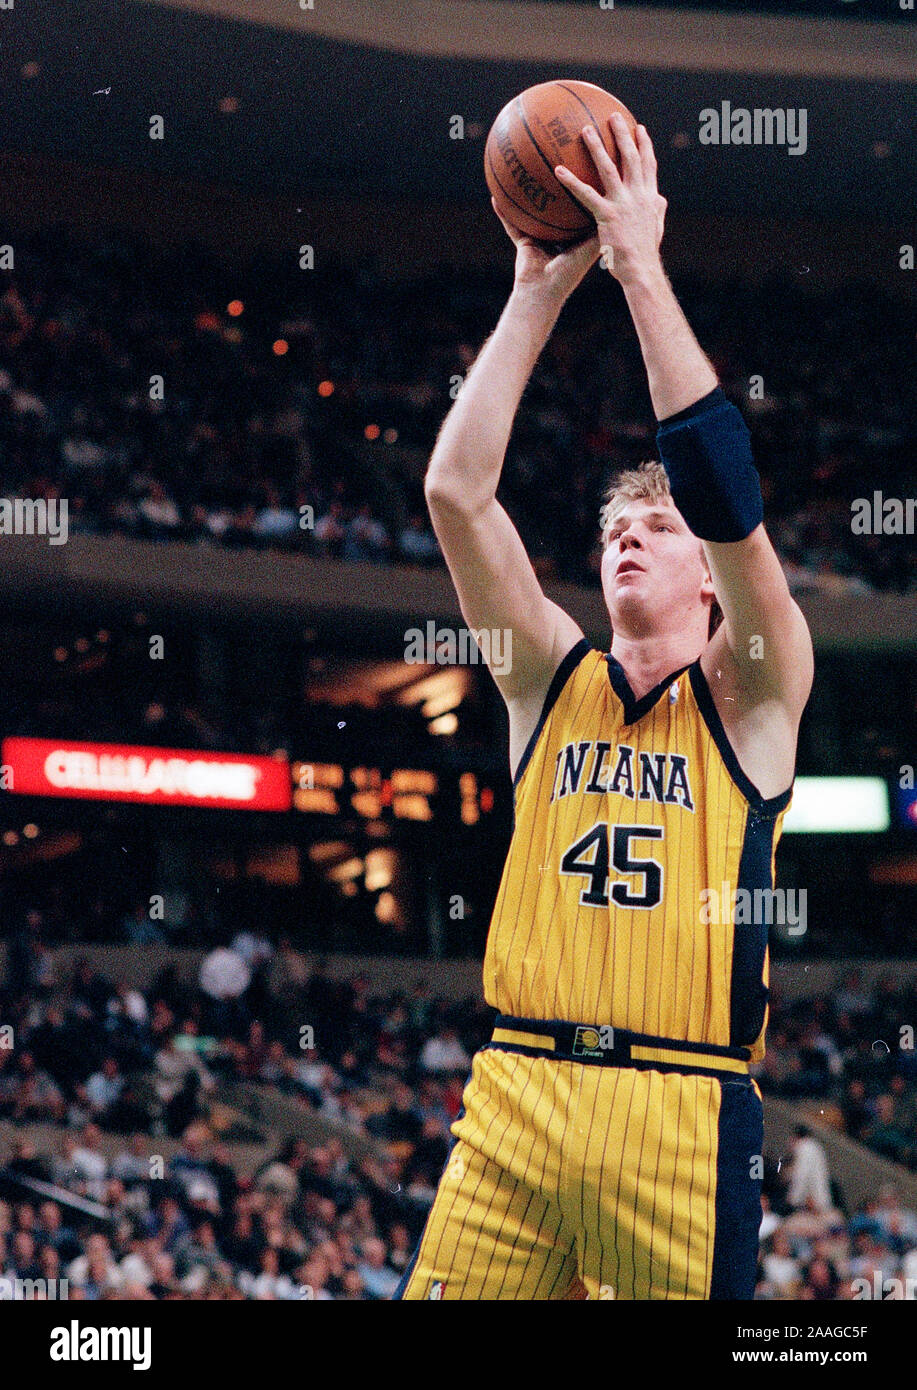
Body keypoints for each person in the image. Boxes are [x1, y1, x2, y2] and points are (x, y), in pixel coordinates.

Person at [396, 115, 813, 1301]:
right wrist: (535, 290)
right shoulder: (546, 675)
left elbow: (724, 493)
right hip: (517, 1090)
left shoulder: (757, 687)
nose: (630, 537)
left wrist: (638, 267)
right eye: (613, 529)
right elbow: (454, 490)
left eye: (656, 528)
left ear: (703, 576)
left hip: (679, 1110)